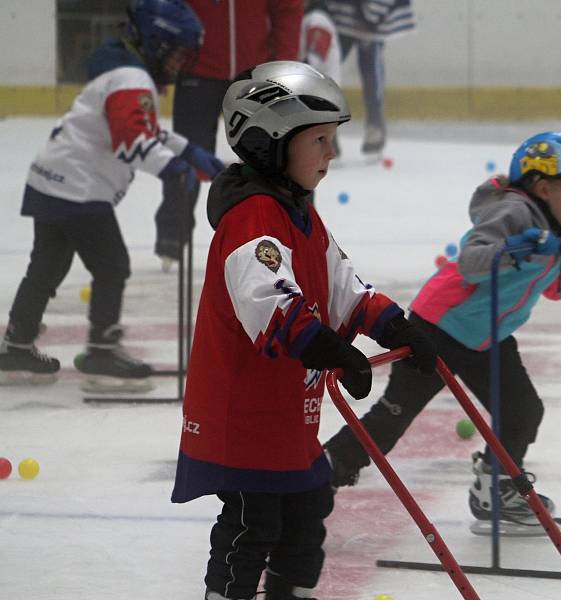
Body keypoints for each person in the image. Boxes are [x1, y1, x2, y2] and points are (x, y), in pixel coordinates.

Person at [170, 61, 436, 600]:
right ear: (273, 142)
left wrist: (395, 325)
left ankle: (289, 592)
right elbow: (269, 305)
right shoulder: (253, 218)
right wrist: (334, 349)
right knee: (254, 521)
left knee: (309, 503)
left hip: (285, 412)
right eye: (320, 140)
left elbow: (344, 287)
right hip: (243, 412)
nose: (331, 154)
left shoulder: (299, 215)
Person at [324, 132, 561, 534]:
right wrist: (516, 248)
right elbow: (474, 262)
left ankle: (496, 491)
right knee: (394, 417)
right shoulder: (514, 212)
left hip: (486, 336)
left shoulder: (552, 229)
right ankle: (316, 482)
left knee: (522, 412)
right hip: (438, 328)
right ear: (543, 187)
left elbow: (555, 288)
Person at [0, 0, 222, 390]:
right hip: (77, 189)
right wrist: (173, 168)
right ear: (157, 43)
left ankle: (16, 343)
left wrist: (188, 152)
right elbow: (133, 138)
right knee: (112, 265)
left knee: (47, 266)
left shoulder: (125, 75)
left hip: (50, 181)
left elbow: (144, 129)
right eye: (176, 54)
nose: (179, 65)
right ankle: (101, 351)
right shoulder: (131, 81)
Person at [155, 0, 303, 269]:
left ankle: (294, 232)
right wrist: (160, 62)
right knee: (187, 156)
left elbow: (287, 8)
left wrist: (284, 61)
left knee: (276, 155)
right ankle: (171, 237)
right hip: (197, 70)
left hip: (256, 74)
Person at [327, 0, 415, 154]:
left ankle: (375, 123)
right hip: (337, 14)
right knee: (326, 66)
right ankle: (325, 128)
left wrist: (372, 13)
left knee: (371, 68)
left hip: (372, 19)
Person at [299, 0, 342, 157]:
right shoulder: (312, 17)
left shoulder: (317, 18)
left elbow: (316, 53)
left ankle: (328, 148)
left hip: (320, 87)